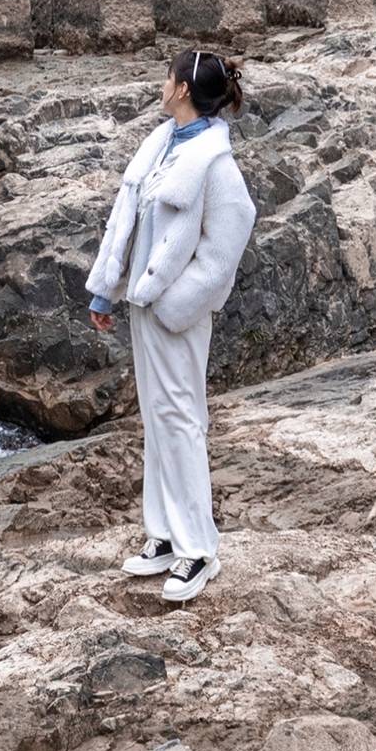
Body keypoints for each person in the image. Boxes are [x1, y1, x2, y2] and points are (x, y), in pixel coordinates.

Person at [83, 43, 257, 604]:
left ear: (182, 89)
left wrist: (177, 304)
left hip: (173, 313)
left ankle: (198, 550)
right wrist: (107, 291)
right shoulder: (160, 143)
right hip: (143, 306)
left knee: (182, 419)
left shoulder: (216, 164)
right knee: (158, 418)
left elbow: (225, 246)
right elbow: (126, 221)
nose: (162, 83)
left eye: (168, 77)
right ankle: (163, 534)